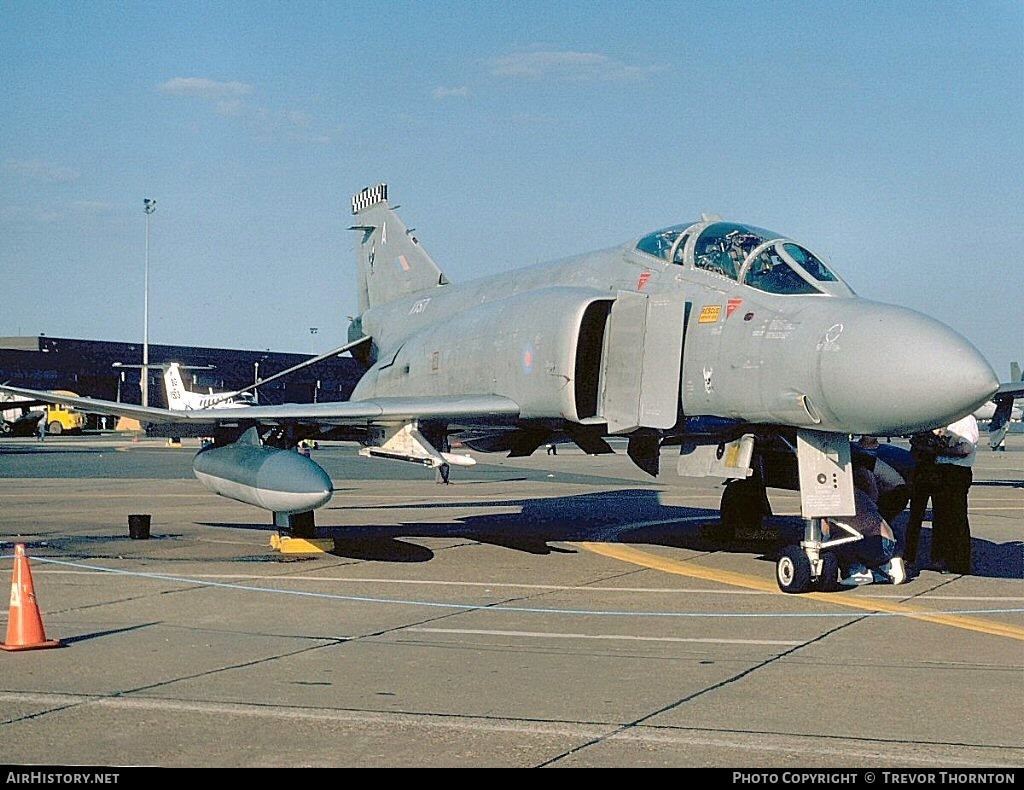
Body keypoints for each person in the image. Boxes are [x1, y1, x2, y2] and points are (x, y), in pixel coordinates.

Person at [823, 466, 906, 586]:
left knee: (831, 541)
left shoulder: (836, 499)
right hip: (890, 541)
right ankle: (886, 569)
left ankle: (856, 570)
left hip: (875, 545)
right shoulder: (861, 495)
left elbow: (826, 530)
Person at [929, 414, 979, 574]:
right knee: (941, 517)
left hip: (956, 471)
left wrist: (941, 449)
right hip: (942, 471)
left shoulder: (966, 420)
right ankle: (941, 558)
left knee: (956, 517)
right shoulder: (945, 419)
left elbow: (966, 448)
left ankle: (959, 562)